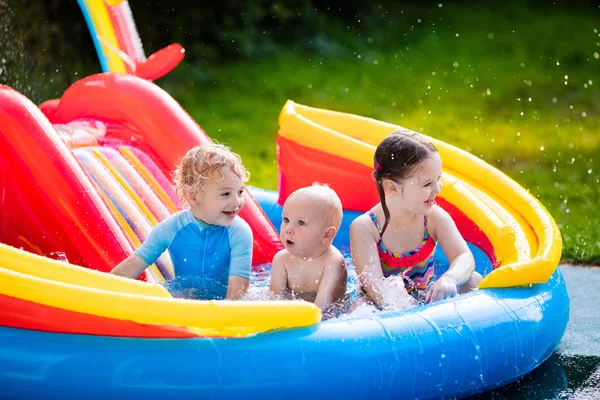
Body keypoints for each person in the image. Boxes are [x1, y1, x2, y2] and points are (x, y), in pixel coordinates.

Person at [350, 130, 482, 309]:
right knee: (360, 306)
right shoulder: (366, 227)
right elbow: (374, 285)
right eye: (427, 184)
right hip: (384, 307)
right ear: (391, 187)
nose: (437, 189)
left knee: (472, 280)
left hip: (423, 302)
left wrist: (449, 279)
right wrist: (407, 312)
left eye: (439, 179)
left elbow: (464, 256)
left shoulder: (434, 218)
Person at [111, 143, 253, 300]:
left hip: (222, 306)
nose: (236, 201)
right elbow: (133, 265)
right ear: (192, 195)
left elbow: (238, 291)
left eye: (240, 192)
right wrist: (105, 291)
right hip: (186, 301)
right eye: (226, 193)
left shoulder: (239, 231)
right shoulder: (172, 228)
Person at [270, 184, 347, 314]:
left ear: (326, 234)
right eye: (286, 219)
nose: (288, 228)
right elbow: (274, 301)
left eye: (301, 223)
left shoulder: (333, 261)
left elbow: (323, 308)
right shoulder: (282, 259)